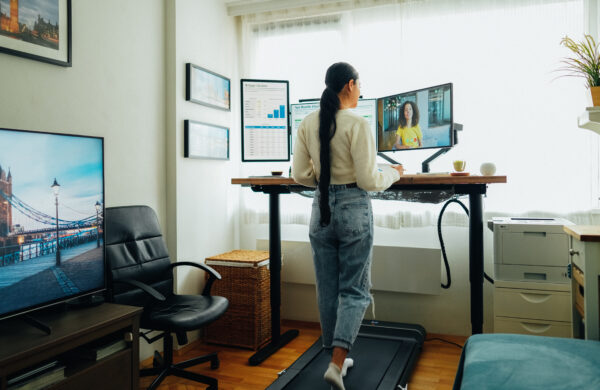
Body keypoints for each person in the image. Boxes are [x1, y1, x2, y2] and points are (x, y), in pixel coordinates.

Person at [292, 62, 404, 390]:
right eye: (360, 85)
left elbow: (300, 175)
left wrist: (324, 178)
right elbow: (370, 179)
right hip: (354, 208)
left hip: (321, 209)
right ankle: (337, 362)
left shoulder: (307, 122)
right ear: (350, 86)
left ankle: (333, 359)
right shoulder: (357, 122)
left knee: (327, 288)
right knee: (354, 290)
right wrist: (395, 172)